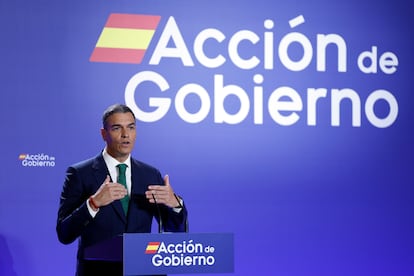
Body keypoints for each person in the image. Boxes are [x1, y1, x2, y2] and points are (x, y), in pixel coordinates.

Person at [56, 104, 188, 276]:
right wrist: (93, 203)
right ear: (104, 134)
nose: (126, 135)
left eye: (131, 128)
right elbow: (64, 234)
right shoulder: (80, 173)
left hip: (143, 271)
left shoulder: (150, 174)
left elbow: (176, 229)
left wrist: (175, 204)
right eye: (117, 128)